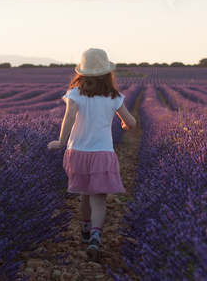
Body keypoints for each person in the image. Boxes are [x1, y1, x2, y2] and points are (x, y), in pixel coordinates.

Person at [47, 48, 136, 262]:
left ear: (83, 73)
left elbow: (68, 118)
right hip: (102, 153)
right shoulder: (114, 96)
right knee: (99, 199)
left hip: (77, 152)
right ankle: (96, 235)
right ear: (108, 74)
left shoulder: (75, 93)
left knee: (84, 193)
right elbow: (131, 122)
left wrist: (60, 141)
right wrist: (125, 123)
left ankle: (85, 230)